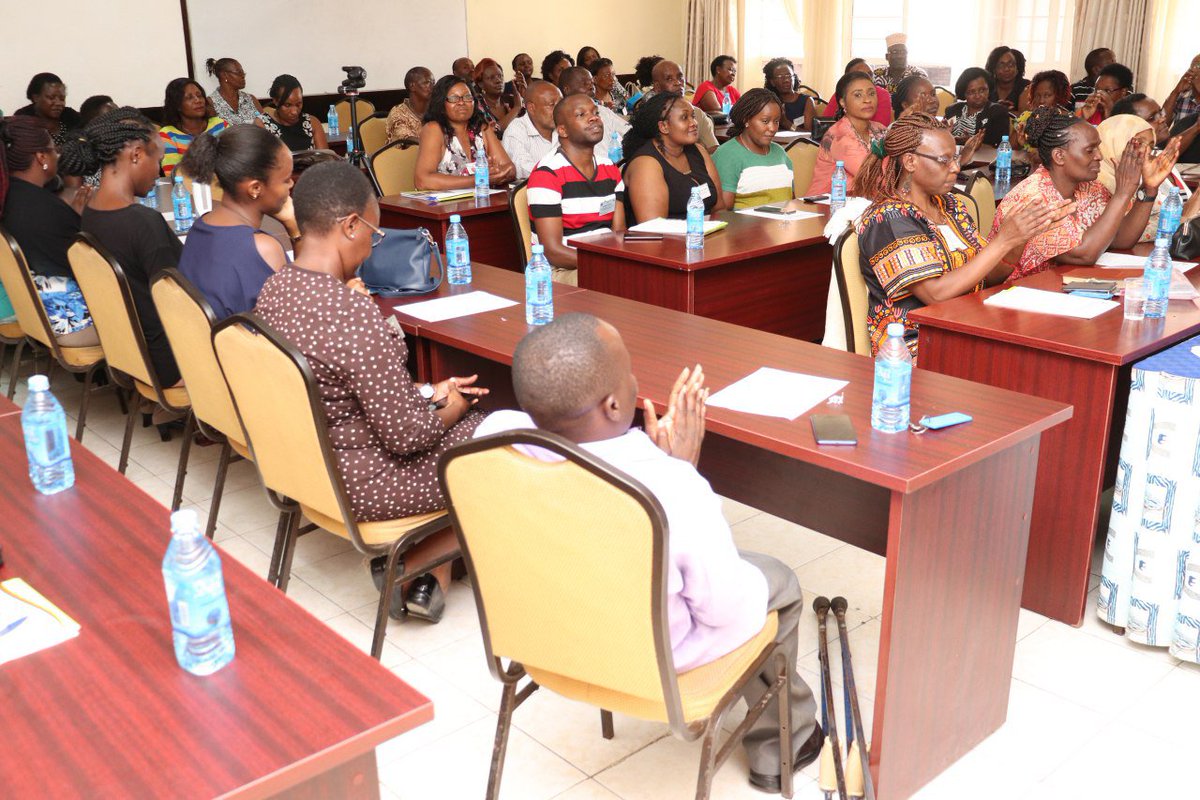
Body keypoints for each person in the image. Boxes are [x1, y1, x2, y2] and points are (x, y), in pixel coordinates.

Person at [475, 313, 823, 793]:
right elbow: (724, 610)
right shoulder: (670, 488)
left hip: (542, 637)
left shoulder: (491, 439)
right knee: (778, 581)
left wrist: (654, 462)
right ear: (615, 403)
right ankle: (782, 748)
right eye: (630, 374)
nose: (637, 381)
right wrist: (676, 470)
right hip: (650, 658)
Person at [255, 160, 487, 623]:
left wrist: (426, 392)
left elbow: (340, 389)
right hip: (364, 484)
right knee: (502, 441)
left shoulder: (275, 290)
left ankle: (432, 577)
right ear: (350, 225)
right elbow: (408, 438)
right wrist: (454, 404)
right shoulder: (351, 313)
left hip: (306, 468)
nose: (371, 246)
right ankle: (412, 560)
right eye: (373, 235)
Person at [854, 113, 1064, 360]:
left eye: (955, 157)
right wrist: (1003, 240)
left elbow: (988, 276)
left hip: (966, 323)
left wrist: (1021, 237)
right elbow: (935, 293)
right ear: (910, 161)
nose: (955, 167)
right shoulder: (889, 218)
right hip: (917, 346)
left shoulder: (951, 206)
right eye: (943, 160)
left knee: (1048, 339)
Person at [63, 107, 183, 387]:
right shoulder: (144, 223)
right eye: (159, 159)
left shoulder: (90, 211)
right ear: (137, 154)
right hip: (169, 363)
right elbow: (179, 305)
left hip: (130, 355)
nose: (160, 170)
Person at [991, 107, 1180, 280]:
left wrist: (1148, 189)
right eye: (1090, 150)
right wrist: (1122, 193)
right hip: (1015, 298)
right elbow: (1083, 254)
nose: (1099, 156)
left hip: (1059, 287)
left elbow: (1121, 239)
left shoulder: (1090, 188)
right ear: (1059, 156)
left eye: (1098, 147)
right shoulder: (1035, 198)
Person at [176, 125, 300, 319]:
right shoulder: (263, 249)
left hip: (206, 346)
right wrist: (294, 228)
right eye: (285, 180)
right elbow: (301, 315)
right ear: (255, 188)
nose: (291, 185)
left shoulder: (201, 225)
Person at [0, 117, 96, 344]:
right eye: (54, 150)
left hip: (34, 314)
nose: (58, 155)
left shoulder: (10, 197)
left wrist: (70, 216)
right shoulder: (44, 208)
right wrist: (79, 222)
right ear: (41, 157)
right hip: (70, 323)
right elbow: (88, 269)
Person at [527, 94, 626, 284]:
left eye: (596, 112)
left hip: (604, 263)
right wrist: (603, 263)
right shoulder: (547, 174)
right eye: (581, 115)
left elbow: (618, 233)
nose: (594, 117)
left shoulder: (610, 170)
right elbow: (552, 251)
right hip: (560, 270)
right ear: (562, 130)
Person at [621, 92, 723, 224]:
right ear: (663, 126)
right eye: (684, 118)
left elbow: (720, 209)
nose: (694, 123)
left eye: (693, 116)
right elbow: (654, 229)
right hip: (669, 241)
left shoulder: (698, 151)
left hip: (705, 237)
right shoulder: (646, 165)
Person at [1096, 115, 1192, 243]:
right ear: (1114, 141)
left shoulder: (1139, 180)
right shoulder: (1092, 184)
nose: (1146, 152)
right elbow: (1116, 239)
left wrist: (1149, 189)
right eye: (1138, 143)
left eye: (1151, 146)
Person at [413, 75, 515, 190]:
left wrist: (495, 172)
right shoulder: (434, 129)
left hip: (482, 201)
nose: (461, 103)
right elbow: (423, 181)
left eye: (467, 97)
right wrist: (480, 179)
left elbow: (510, 169)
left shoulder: (481, 128)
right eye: (454, 98)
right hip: (444, 206)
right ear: (441, 103)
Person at [712, 89, 801, 210]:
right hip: (744, 227)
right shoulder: (727, 155)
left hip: (782, 225)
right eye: (765, 121)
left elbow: (791, 201)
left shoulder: (780, 153)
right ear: (746, 120)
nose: (773, 128)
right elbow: (722, 212)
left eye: (776, 121)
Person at [806, 72, 886, 196]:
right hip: (827, 207)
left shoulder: (879, 128)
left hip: (865, 203)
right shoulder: (840, 136)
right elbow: (873, 178)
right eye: (858, 95)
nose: (867, 100)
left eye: (871, 93)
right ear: (843, 102)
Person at [558, 67, 631, 162]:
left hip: (616, 166)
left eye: (592, 83)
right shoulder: (561, 118)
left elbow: (629, 132)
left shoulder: (603, 111)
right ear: (567, 89)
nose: (591, 86)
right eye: (585, 83)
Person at [642, 60, 718, 150]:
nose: (678, 83)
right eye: (669, 79)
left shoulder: (697, 113)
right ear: (657, 87)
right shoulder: (648, 117)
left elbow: (714, 150)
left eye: (680, 77)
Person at [158, 78, 227, 176]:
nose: (198, 100)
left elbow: (235, 160)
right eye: (189, 98)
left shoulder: (220, 125)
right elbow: (173, 174)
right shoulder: (168, 135)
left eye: (199, 95)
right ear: (177, 105)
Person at [503, 80, 563, 181]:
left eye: (560, 103)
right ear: (531, 108)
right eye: (551, 105)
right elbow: (522, 169)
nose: (559, 110)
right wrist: (564, 173)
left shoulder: (566, 127)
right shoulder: (516, 130)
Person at [946, 67, 1012, 147]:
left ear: (989, 89)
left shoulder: (998, 112)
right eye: (972, 92)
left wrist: (974, 143)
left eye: (982, 90)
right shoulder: (952, 110)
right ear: (964, 93)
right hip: (951, 155)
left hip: (983, 158)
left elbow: (1000, 145)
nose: (978, 96)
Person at [262, 75, 328, 152]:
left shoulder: (312, 123)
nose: (294, 111)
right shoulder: (262, 125)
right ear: (275, 101)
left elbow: (326, 159)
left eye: (298, 104)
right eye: (287, 105)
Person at [13, 73, 81, 146]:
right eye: (51, 98)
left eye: (62, 99)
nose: (58, 103)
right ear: (36, 98)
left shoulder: (71, 117)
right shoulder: (22, 119)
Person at [826, 59, 892, 126]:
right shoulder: (841, 93)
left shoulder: (882, 94)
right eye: (860, 75)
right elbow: (825, 122)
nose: (867, 78)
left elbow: (881, 127)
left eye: (870, 74)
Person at [205, 58, 264, 127]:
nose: (243, 76)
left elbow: (265, 125)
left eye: (243, 73)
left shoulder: (251, 99)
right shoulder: (211, 103)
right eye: (239, 72)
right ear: (224, 75)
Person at [762, 58, 815, 132]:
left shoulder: (807, 101)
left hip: (799, 143)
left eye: (789, 76)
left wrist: (786, 123)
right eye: (780, 77)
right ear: (772, 82)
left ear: (794, 77)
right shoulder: (769, 102)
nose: (786, 80)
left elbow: (808, 133)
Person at [473, 58, 522, 134]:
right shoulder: (476, 106)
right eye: (492, 78)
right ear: (481, 84)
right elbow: (494, 132)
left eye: (500, 76)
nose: (498, 80)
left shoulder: (511, 100)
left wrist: (526, 95)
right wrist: (516, 108)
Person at [385, 67, 434, 143]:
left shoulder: (436, 109)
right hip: (404, 154)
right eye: (427, 83)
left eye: (433, 83)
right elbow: (406, 140)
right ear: (412, 86)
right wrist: (434, 145)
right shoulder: (398, 113)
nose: (432, 86)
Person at [985, 46, 1029, 112]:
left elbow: (1024, 116)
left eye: (1011, 65)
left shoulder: (1026, 87)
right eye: (1001, 65)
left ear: (1017, 68)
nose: (1006, 69)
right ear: (993, 69)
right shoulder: (986, 86)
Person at [1163, 54, 1200, 128]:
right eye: (1192, 66)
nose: (1194, 69)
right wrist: (1176, 92)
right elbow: (1163, 124)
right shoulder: (1182, 94)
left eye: (1198, 66)